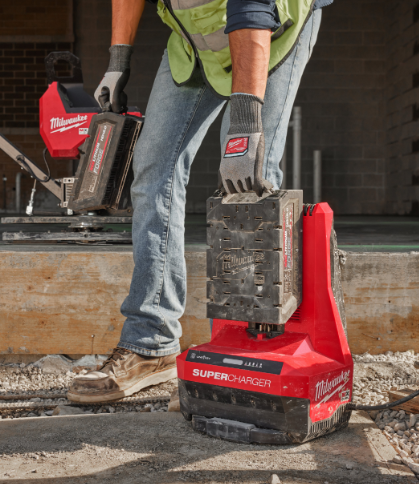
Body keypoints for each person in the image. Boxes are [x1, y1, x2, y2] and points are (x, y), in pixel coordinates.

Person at [68, 0, 332, 403]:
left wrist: (246, 119)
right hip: (196, 37)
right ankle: (151, 344)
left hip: (272, 26)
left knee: (248, 180)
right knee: (153, 167)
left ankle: (246, 356)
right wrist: (118, 60)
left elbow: (252, 7)